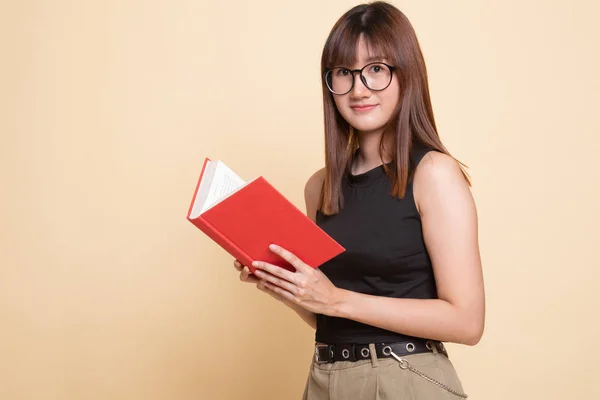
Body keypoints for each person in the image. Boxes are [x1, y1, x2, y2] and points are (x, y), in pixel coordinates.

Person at [233, 1, 485, 398]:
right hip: (326, 378)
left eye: (376, 70)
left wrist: (337, 299)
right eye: (343, 74)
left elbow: (467, 322)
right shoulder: (320, 186)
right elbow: (329, 316)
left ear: (407, 74)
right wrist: (284, 285)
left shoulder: (434, 174)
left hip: (405, 378)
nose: (358, 90)